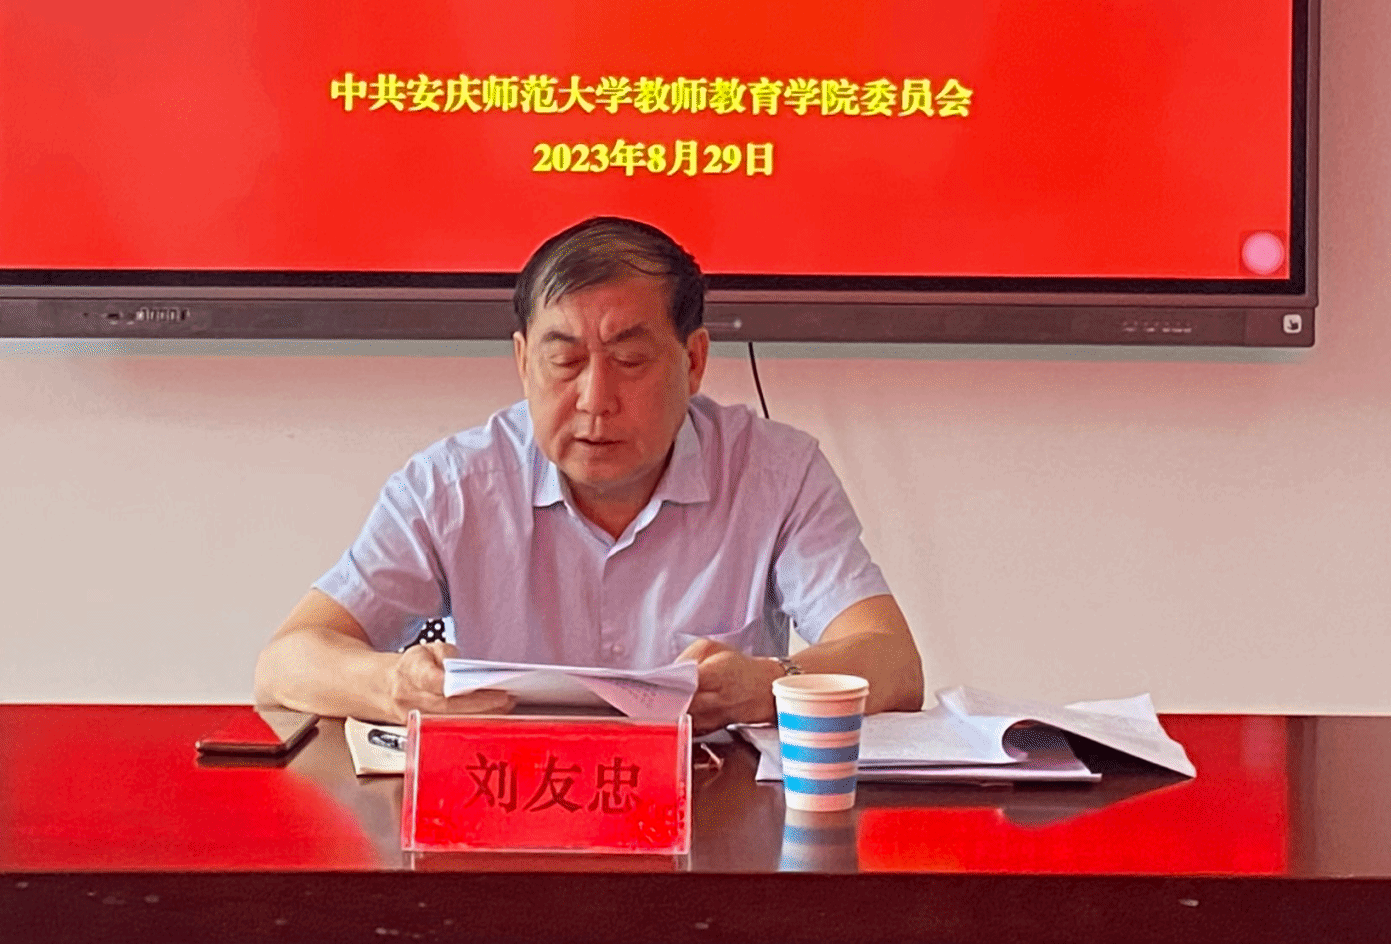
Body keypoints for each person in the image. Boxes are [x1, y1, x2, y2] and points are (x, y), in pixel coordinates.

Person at [254, 216, 923, 731]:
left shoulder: (776, 472)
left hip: (713, 816)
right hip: (507, 812)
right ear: (523, 362)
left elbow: (892, 661)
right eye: (564, 362)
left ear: (693, 362)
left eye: (630, 362)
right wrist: (392, 685)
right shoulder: (455, 485)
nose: (595, 400)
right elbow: (286, 661)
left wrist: (768, 683)